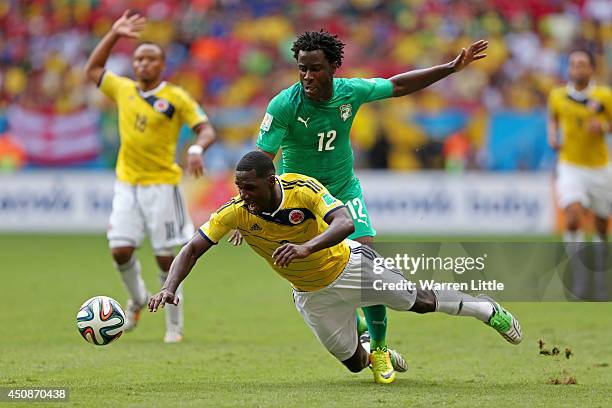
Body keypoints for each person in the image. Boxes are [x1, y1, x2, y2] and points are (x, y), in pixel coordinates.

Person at [149, 151, 522, 384]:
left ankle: (485, 308)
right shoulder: (235, 213)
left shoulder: (303, 189)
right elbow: (192, 248)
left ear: (270, 180)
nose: (242, 194)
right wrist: (170, 285)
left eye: (249, 187)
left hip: (349, 266)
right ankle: (376, 350)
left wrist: (306, 246)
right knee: (355, 365)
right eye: (238, 187)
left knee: (416, 302)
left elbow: (344, 223)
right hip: (311, 296)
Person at [248, 30, 488, 380]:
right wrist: (248, 207)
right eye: (302, 69)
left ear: (332, 67)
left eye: (315, 69)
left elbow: (398, 86)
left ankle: (378, 349)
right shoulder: (284, 104)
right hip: (301, 199)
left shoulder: (350, 92)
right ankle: (359, 329)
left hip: (344, 191)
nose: (307, 77)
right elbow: (261, 160)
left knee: (370, 268)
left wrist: (451, 68)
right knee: (316, 277)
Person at [84, 10, 217, 342]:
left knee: (165, 256)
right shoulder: (123, 89)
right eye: (138, 59)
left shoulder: (175, 97)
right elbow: (94, 69)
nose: (142, 64)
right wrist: (114, 34)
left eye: (149, 59)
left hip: (163, 186)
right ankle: (139, 298)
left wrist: (197, 149)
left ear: (161, 65)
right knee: (120, 250)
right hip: (127, 183)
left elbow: (206, 130)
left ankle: (174, 324)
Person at [547, 48, 612, 301]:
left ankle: (599, 277)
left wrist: (604, 126)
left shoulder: (605, 95)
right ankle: (577, 275)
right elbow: (552, 117)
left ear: (591, 69)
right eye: (573, 64)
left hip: (600, 169)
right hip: (570, 166)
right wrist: (552, 135)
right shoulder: (557, 95)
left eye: (582, 64)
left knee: (600, 227)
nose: (577, 68)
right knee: (572, 216)